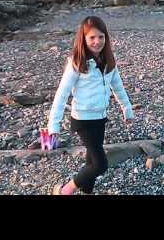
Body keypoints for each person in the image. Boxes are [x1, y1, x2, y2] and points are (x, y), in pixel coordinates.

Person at [47, 16, 135, 195]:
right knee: (100, 165)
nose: (97, 42)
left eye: (101, 37)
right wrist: (53, 124)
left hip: (100, 118)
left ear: (106, 38)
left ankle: (87, 190)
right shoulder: (77, 62)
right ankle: (65, 190)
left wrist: (127, 108)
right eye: (92, 38)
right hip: (83, 120)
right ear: (84, 39)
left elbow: (117, 85)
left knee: (91, 161)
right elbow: (62, 93)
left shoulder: (109, 60)